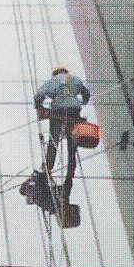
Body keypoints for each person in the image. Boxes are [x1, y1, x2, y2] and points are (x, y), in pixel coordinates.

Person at [34, 66, 90, 205]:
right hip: (74, 112)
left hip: (58, 111)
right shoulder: (75, 79)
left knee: (53, 141)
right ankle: (69, 176)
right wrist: (82, 102)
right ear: (66, 72)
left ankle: (47, 167)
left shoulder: (52, 81)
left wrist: (39, 106)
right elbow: (86, 94)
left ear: (55, 73)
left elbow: (39, 95)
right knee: (72, 147)